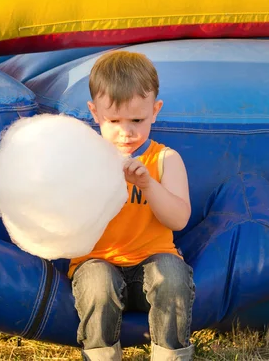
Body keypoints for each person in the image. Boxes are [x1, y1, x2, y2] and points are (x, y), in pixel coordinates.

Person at [68, 51, 195, 361]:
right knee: (98, 282)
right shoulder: (82, 160)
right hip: (97, 263)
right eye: (114, 121)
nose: (126, 131)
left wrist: (148, 185)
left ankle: (171, 354)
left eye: (137, 120)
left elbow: (178, 220)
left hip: (150, 264)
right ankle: (101, 355)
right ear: (94, 113)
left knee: (172, 275)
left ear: (155, 111)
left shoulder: (165, 159)